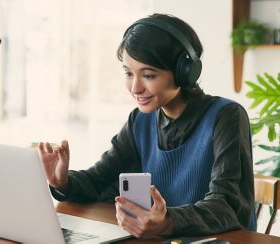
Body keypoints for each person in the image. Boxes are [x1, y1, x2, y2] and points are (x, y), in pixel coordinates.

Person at [38, 13, 256, 238]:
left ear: (185, 72)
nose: (135, 88)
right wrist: (63, 182)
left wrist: (167, 222)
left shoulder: (226, 116)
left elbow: (229, 206)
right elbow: (100, 180)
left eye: (149, 75)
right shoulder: (140, 121)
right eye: (128, 73)